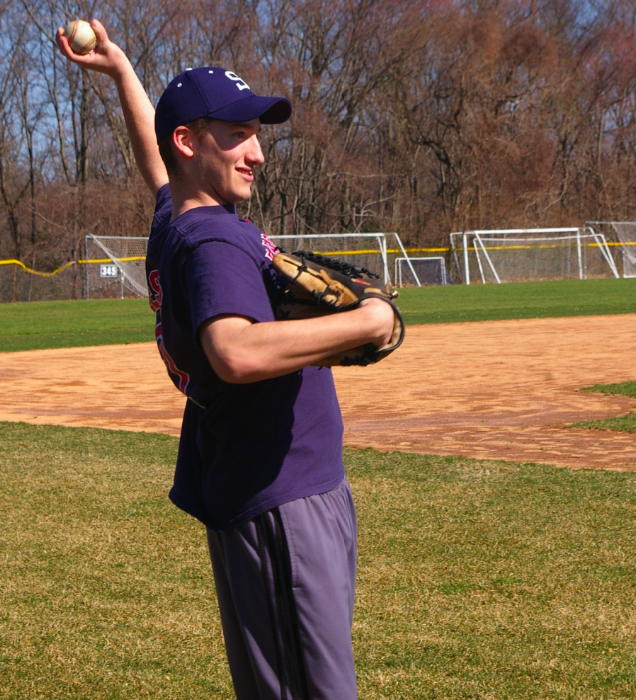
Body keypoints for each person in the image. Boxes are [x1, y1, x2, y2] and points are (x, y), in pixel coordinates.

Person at [57, 19, 395, 700]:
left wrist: (123, 73)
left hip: (283, 487)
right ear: (190, 142)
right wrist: (369, 321)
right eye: (236, 134)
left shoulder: (177, 218)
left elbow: (156, 164)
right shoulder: (212, 240)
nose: (257, 153)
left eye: (256, 134)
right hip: (283, 503)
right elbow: (233, 350)